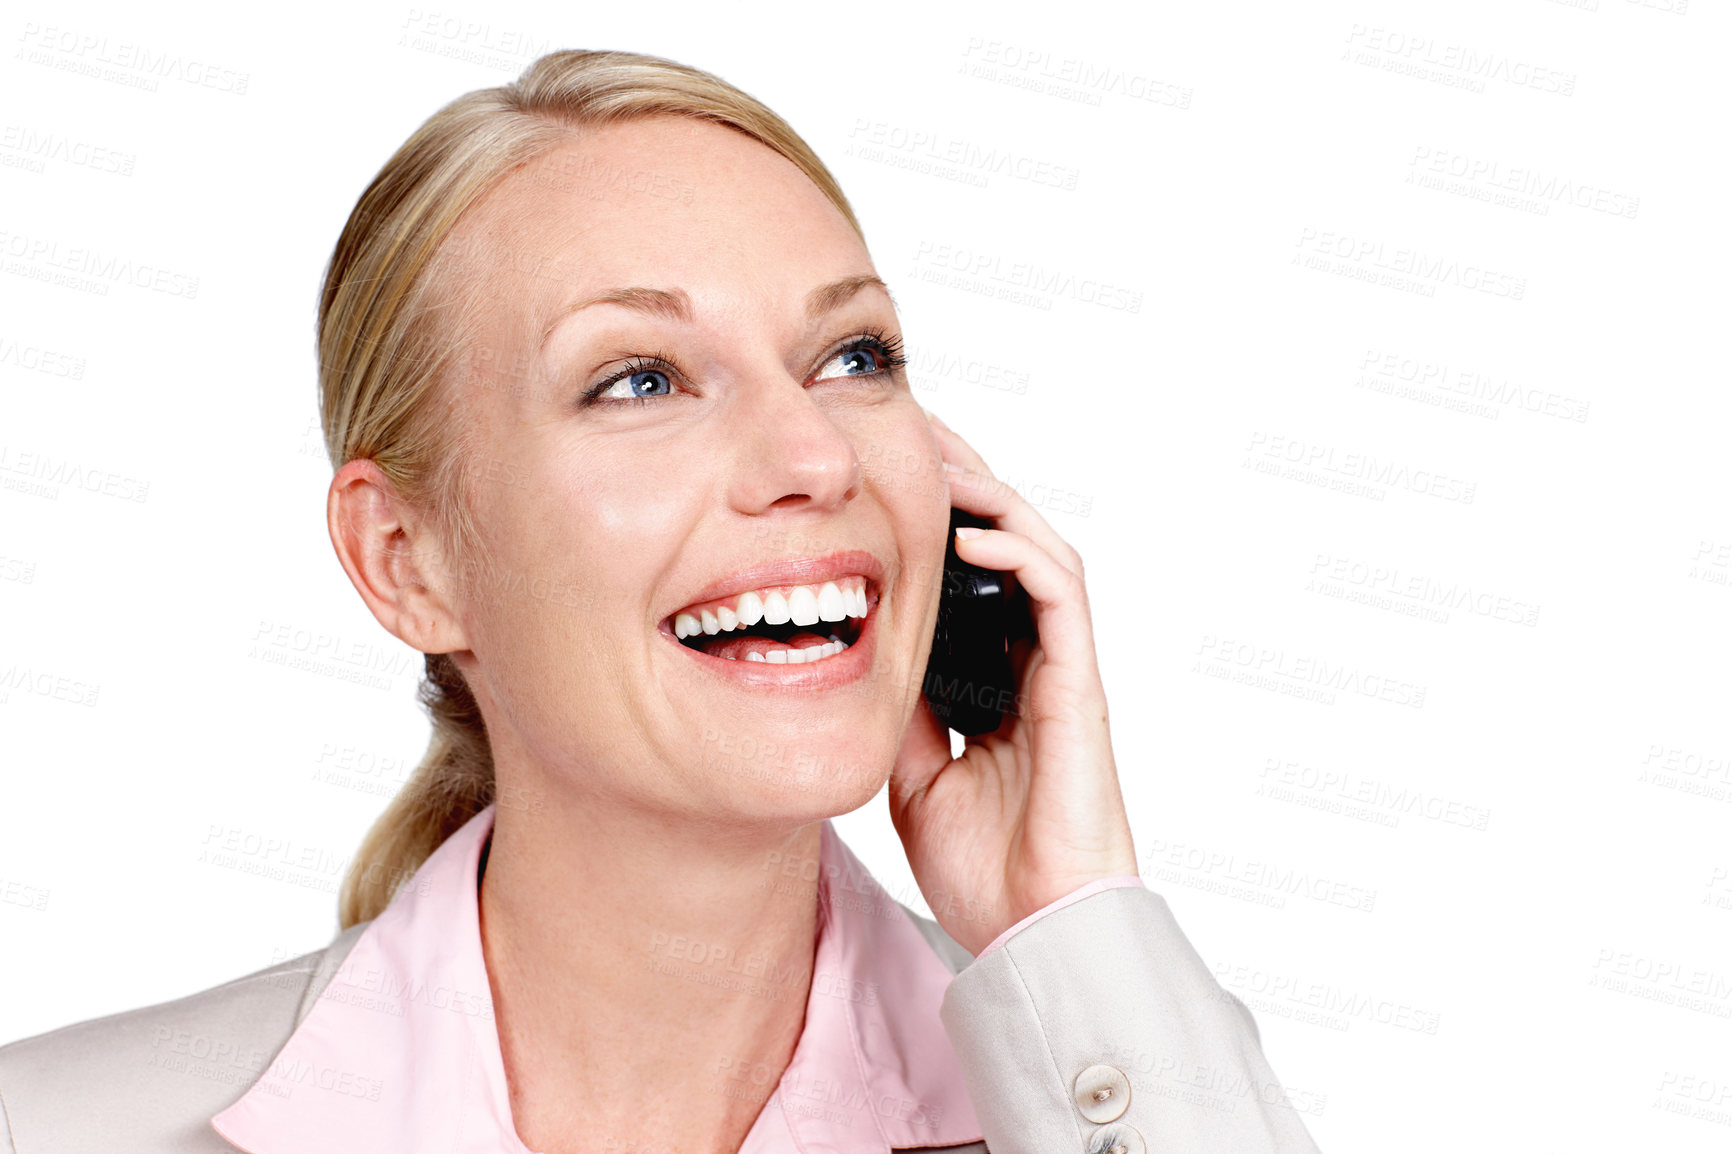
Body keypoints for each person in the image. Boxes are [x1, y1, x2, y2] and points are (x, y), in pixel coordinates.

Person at [0, 49, 1322, 1154]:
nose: (816, 455)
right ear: (405, 556)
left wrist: (1065, 917)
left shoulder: (1123, 1084)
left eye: (851, 357)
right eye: (638, 379)